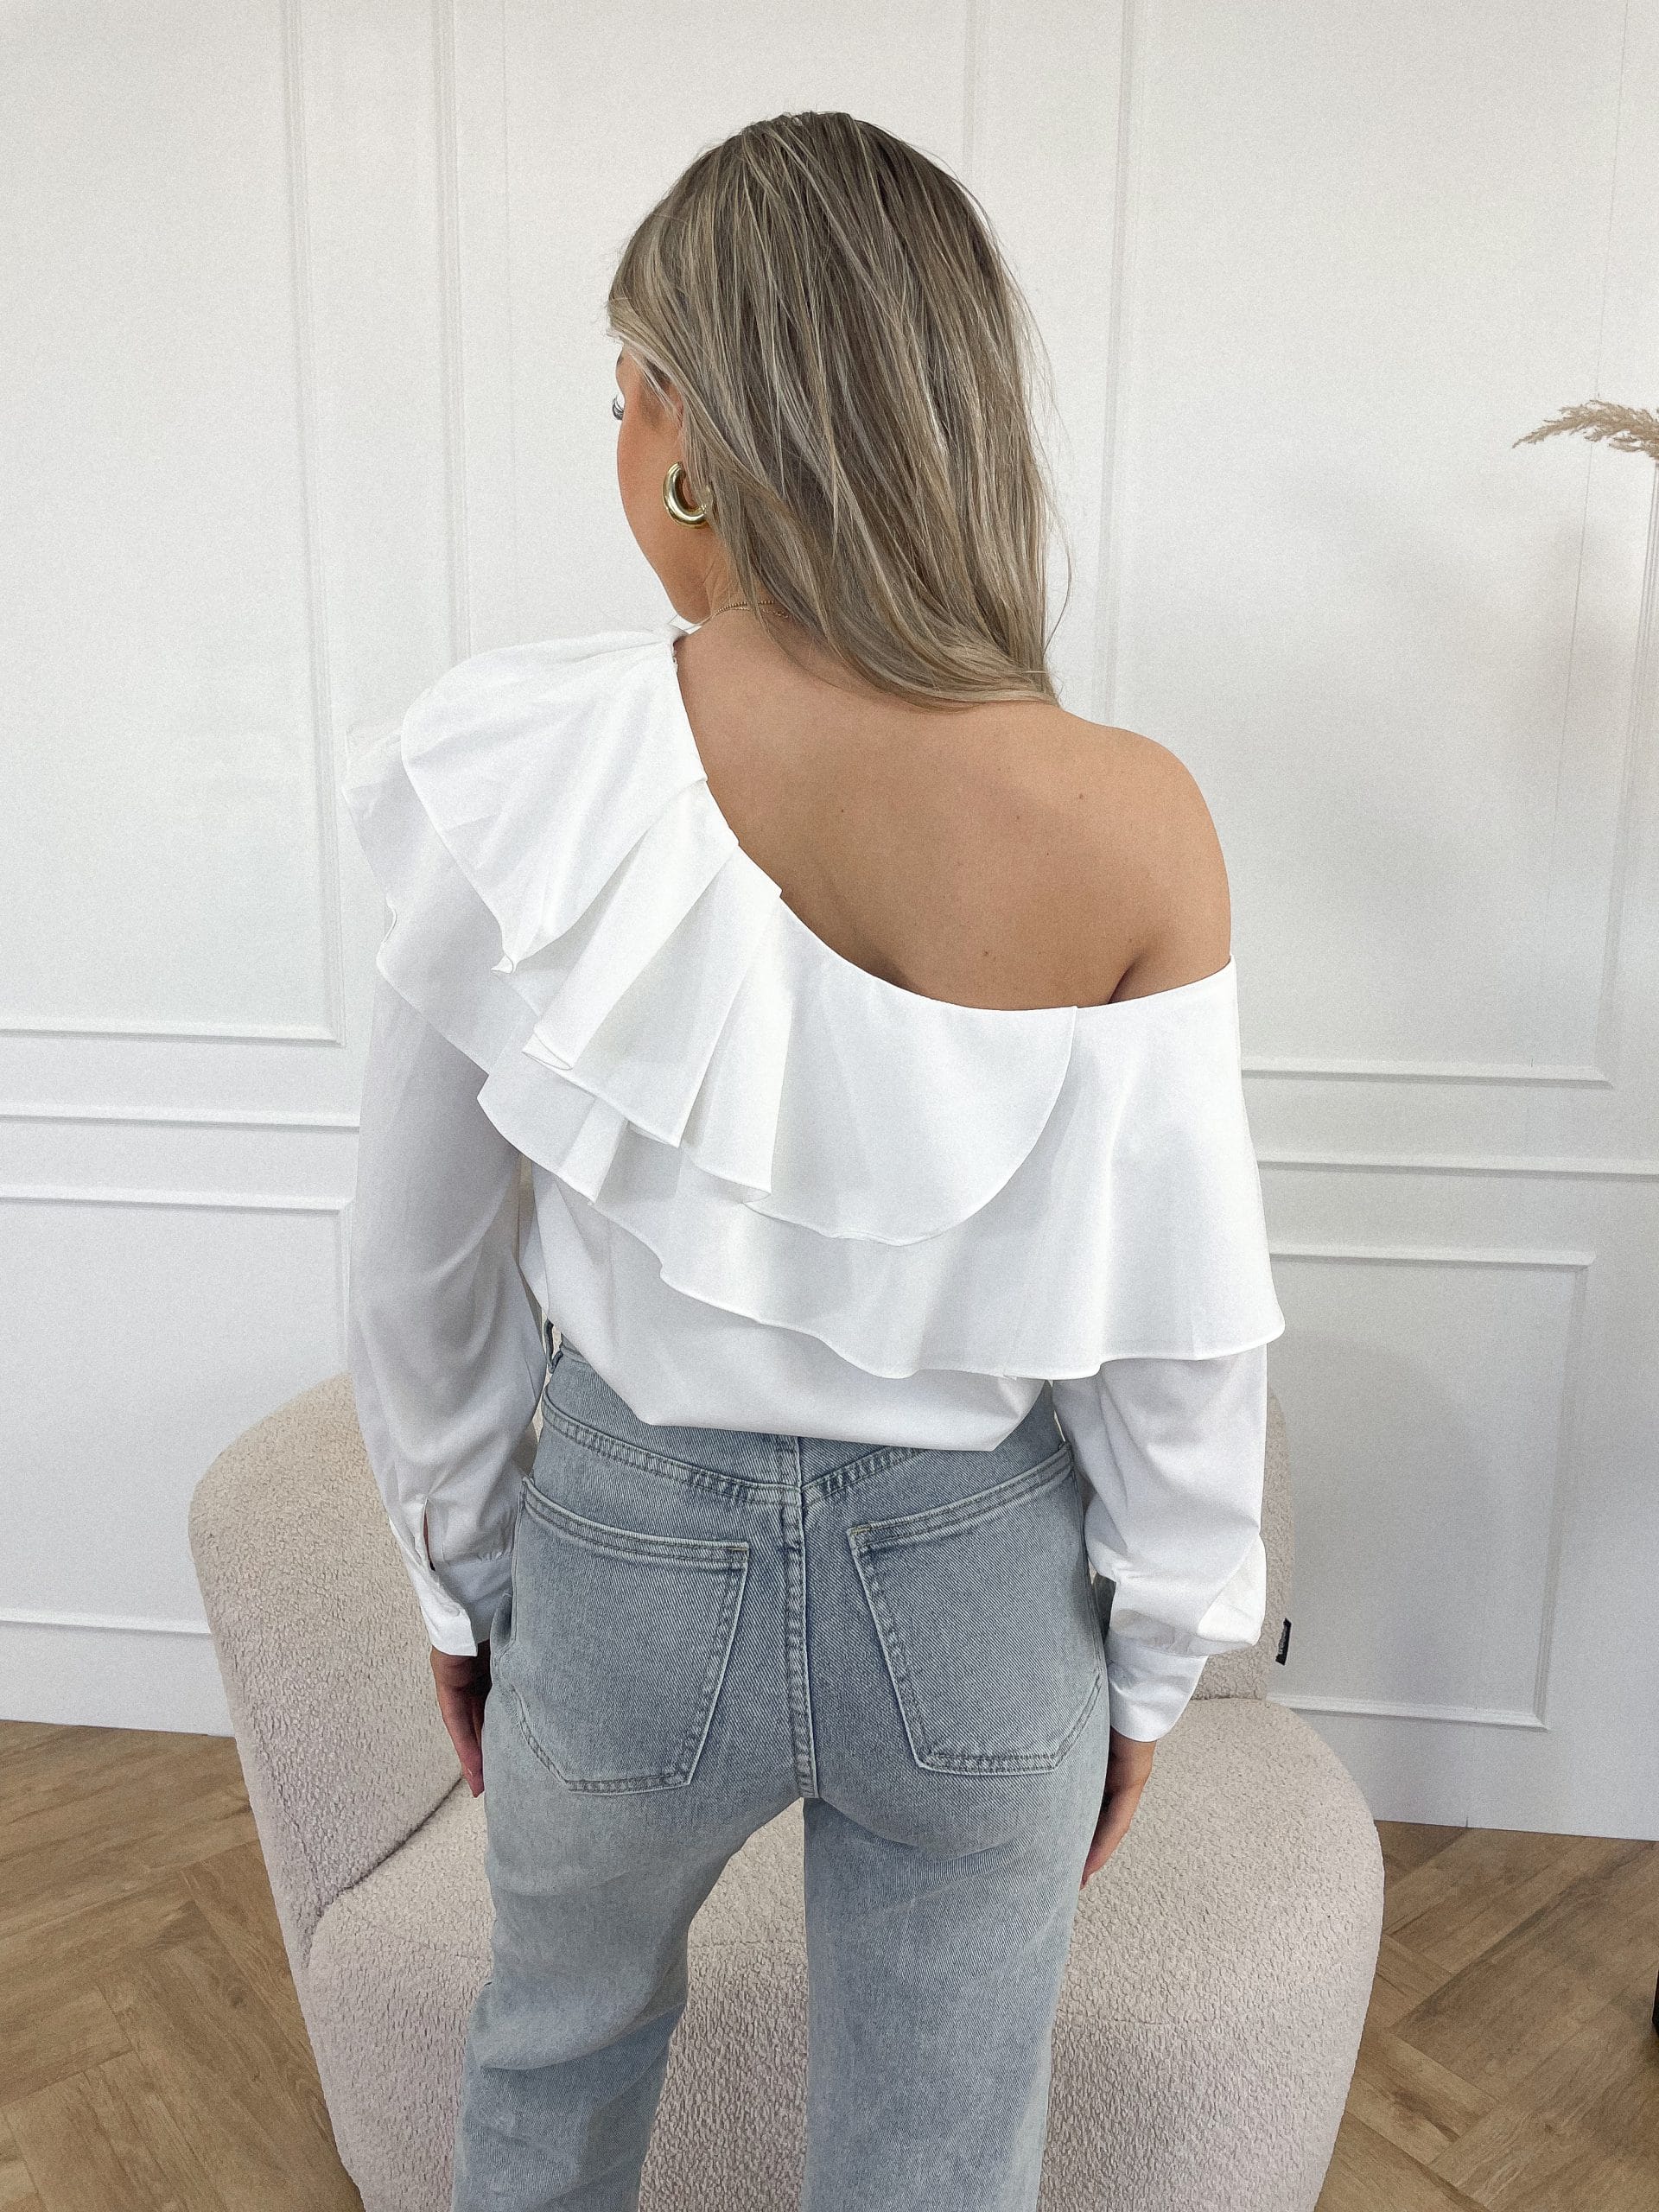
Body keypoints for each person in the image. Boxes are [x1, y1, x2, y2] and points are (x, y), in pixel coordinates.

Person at [341, 109, 1284, 2212]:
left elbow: (416, 1259)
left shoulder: (524, 757)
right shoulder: (1133, 817)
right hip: (978, 1587)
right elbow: (1181, 1324)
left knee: (553, 2057)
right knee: (937, 2158)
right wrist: (1154, 1652)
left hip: (625, 1558)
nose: (618, 440)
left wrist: (463, 1573)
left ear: (693, 428)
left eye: (623, 389)